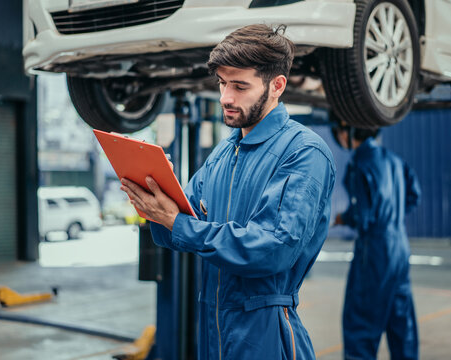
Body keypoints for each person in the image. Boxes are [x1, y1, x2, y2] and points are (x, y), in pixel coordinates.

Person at [120, 24, 336, 360]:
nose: (225, 97)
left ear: (277, 86)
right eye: (222, 83)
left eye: (239, 86)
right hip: (212, 331)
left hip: (266, 335)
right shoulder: (222, 154)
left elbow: (272, 249)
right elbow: (177, 228)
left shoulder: (303, 152)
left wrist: (178, 223)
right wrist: (153, 200)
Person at [335, 127, 421, 360]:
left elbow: (363, 217)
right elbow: (414, 194)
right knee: (401, 321)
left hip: (374, 250)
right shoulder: (394, 160)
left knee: (360, 322)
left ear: (348, 132)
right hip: (399, 245)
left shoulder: (360, 163)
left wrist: (342, 218)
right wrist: (392, 216)